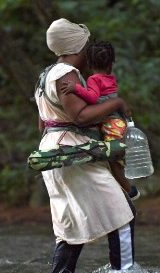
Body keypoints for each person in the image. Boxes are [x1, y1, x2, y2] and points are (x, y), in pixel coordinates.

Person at [34, 18, 136, 273]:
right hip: (74, 154)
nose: (88, 53)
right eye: (85, 47)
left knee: (70, 225)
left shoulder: (44, 76)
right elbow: (80, 116)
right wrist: (116, 104)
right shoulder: (66, 74)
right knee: (122, 212)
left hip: (53, 152)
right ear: (76, 48)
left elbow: (42, 123)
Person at [60, 41, 140, 200]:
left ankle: (130, 191)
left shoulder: (94, 80)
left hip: (111, 124)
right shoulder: (110, 78)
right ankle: (124, 188)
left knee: (113, 159)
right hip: (118, 122)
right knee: (116, 156)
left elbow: (93, 97)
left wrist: (75, 88)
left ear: (89, 64)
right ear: (111, 64)